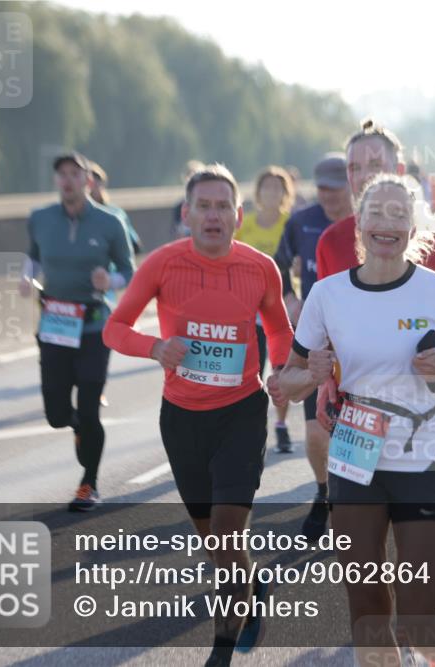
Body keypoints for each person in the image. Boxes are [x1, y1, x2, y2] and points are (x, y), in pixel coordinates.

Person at [279, 173, 435, 667]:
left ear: (413, 229)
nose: (387, 223)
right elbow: (283, 383)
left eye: (399, 215)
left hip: (422, 460)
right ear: (359, 224)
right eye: (377, 213)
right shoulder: (328, 295)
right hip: (354, 461)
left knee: (419, 612)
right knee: (367, 606)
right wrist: (310, 375)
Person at [104, 164, 291, 666]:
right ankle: (253, 584)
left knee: (228, 535)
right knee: (217, 544)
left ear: (238, 215)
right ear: (186, 214)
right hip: (183, 418)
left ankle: (220, 654)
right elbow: (114, 328)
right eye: (203, 206)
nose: (213, 215)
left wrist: (280, 371)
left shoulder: (260, 267)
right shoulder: (163, 264)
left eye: (222, 206)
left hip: (241, 413)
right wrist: (155, 347)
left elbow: (278, 330)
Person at [312, 119, 435, 538]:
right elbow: (327, 325)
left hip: (423, 420)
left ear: (400, 172)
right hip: (355, 421)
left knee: (418, 560)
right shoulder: (331, 241)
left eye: (374, 165)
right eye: (353, 167)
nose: (362, 176)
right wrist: (325, 379)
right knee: (362, 562)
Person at [20, 152, 135, 511]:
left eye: (75, 174)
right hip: (55, 321)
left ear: (88, 180)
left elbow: (129, 272)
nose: (68, 180)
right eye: (62, 174)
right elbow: (34, 256)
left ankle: (89, 485)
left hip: (94, 324)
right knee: (56, 414)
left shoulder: (110, 222)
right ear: (56, 180)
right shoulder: (40, 218)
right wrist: (28, 276)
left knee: (89, 406)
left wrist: (110, 280)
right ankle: (77, 426)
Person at [274, 153, 353, 533]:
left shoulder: (368, 224)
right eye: (322, 188)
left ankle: (353, 501)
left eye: (335, 189)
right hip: (315, 342)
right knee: (317, 433)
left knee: (356, 432)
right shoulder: (302, 222)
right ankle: (324, 492)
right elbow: (278, 264)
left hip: (361, 343)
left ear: (351, 186)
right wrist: (290, 298)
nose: (328, 196)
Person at [236, 166, 297, 452]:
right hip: (250, 311)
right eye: (267, 187)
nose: (272, 192)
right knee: (252, 374)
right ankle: (252, 427)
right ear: (258, 192)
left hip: (282, 310)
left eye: (277, 187)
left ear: (285, 193)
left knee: (282, 370)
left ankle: (281, 425)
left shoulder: (291, 224)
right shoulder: (245, 224)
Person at [87, 160, 142, 255]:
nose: (94, 185)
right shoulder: (75, 216)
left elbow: (134, 245)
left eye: (97, 179)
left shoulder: (116, 212)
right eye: (90, 181)